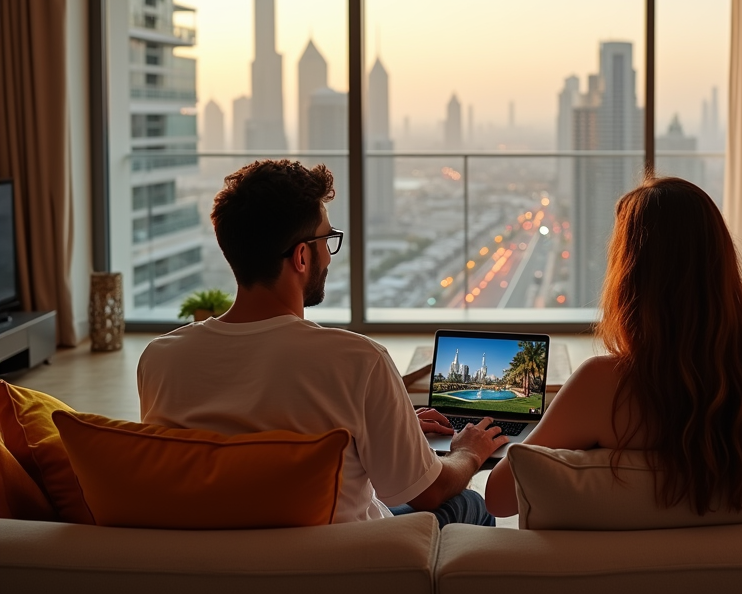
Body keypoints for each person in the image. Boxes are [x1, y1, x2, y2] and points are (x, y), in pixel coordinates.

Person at [138, 160, 507, 526]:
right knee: (468, 503)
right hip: (337, 561)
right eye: (326, 240)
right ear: (301, 256)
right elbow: (427, 491)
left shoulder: (161, 359)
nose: (329, 255)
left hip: (211, 561)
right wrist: (468, 453)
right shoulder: (357, 360)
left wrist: (389, 424)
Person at [485, 176, 742, 518]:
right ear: (723, 263)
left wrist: (469, 451)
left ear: (629, 276)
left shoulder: (603, 384)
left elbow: (499, 500)